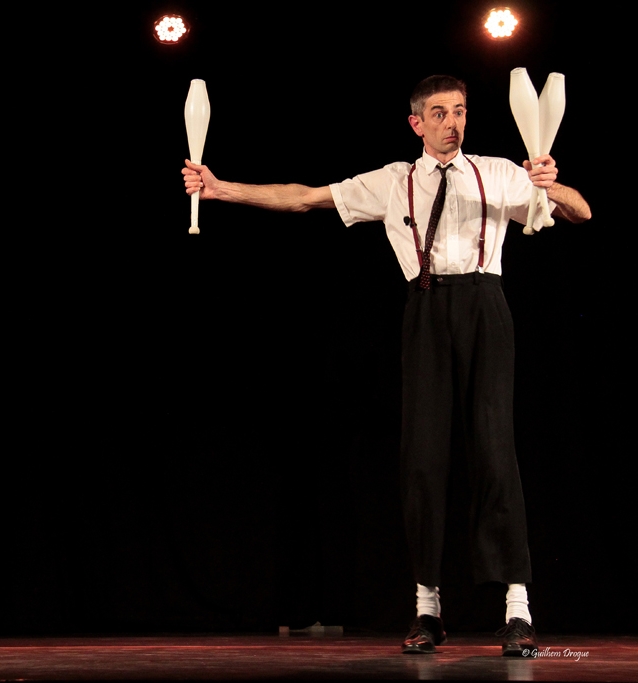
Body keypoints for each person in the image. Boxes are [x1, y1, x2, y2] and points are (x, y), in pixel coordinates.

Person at [181, 75, 591, 656]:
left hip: (485, 308)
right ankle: (428, 611)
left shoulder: (501, 172)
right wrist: (221, 190)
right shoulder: (393, 182)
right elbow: (303, 196)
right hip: (424, 310)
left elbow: (581, 211)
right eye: (441, 113)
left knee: (496, 455)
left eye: (462, 112)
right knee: (424, 460)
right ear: (416, 123)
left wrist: (551, 184)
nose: (454, 122)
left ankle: (518, 610)